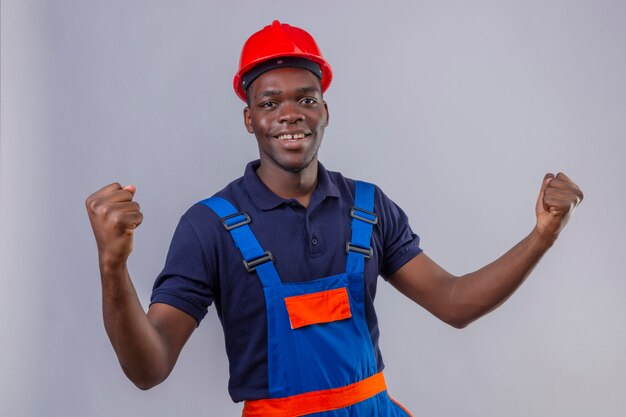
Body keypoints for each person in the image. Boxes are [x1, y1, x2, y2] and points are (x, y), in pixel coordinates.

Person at [85, 20, 583, 417]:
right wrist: (113, 266)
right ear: (249, 119)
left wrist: (542, 235)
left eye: (305, 98)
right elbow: (149, 368)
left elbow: (454, 303)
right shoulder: (209, 226)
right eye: (269, 102)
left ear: (325, 110)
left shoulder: (367, 207)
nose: (290, 113)